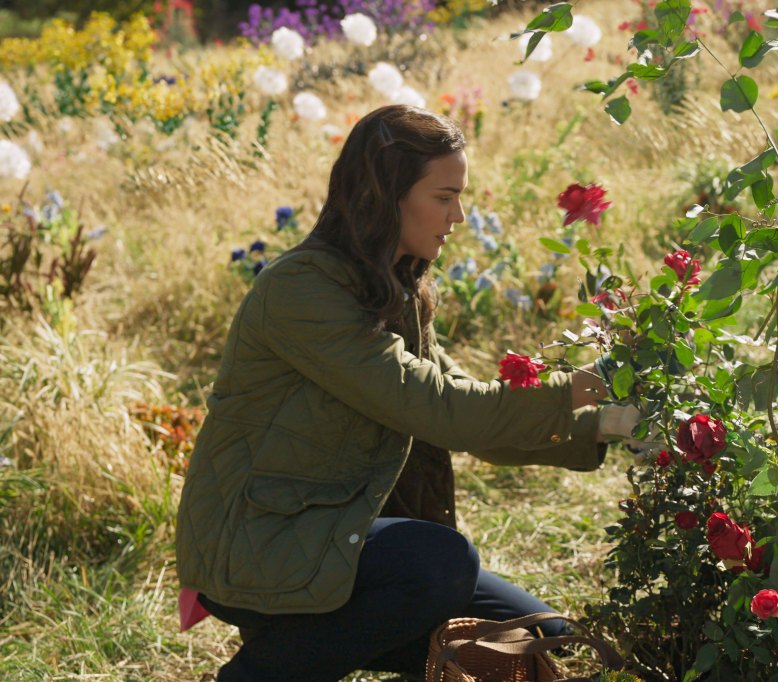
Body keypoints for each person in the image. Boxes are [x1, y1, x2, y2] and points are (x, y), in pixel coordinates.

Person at [175, 104, 641, 681]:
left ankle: (312, 638)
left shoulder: (392, 284)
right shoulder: (303, 292)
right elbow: (446, 413)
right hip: (261, 542)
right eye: (444, 197)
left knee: (545, 636)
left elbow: (466, 403)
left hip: (335, 530)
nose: (461, 215)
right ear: (383, 195)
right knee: (439, 566)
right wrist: (591, 384)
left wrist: (601, 423)